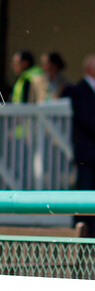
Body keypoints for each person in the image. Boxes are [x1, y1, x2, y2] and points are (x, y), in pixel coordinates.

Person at [67, 55, 95, 233]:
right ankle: (82, 234)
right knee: (84, 192)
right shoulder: (79, 89)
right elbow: (87, 119)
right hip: (87, 153)